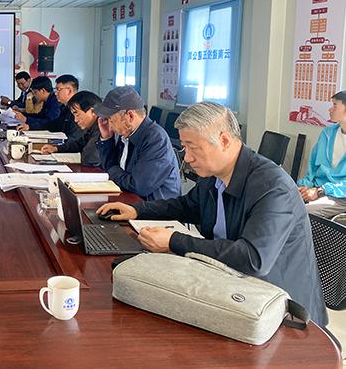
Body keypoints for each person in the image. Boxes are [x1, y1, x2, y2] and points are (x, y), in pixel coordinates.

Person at [97, 102, 328, 326]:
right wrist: (137, 210)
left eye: (192, 147)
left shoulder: (272, 187)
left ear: (224, 140)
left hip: (278, 310)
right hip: (232, 289)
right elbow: (188, 206)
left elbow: (253, 259)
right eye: (184, 148)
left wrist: (174, 241)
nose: (187, 158)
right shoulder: (215, 175)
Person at [95, 86, 181, 200]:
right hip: (130, 199)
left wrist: (111, 170)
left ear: (130, 116)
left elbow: (138, 185)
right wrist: (106, 138)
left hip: (152, 206)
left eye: (111, 119)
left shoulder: (155, 139)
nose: (109, 125)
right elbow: (109, 167)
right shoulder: (126, 133)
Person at [298, 90, 346, 219]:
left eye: (335, 105)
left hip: (341, 195)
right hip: (318, 188)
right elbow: (313, 166)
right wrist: (305, 186)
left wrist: (321, 191)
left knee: (302, 212)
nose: (330, 109)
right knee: (285, 200)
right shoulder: (327, 133)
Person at [40, 91, 102, 166]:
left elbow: (90, 159)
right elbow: (78, 144)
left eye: (77, 114)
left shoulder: (102, 128)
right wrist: (56, 149)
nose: (75, 120)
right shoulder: (93, 127)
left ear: (93, 112)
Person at [16, 75, 81, 141]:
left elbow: (74, 139)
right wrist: (30, 126)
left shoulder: (78, 109)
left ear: (69, 91)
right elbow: (53, 125)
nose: (56, 93)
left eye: (58, 89)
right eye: (55, 90)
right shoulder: (65, 108)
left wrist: (27, 120)